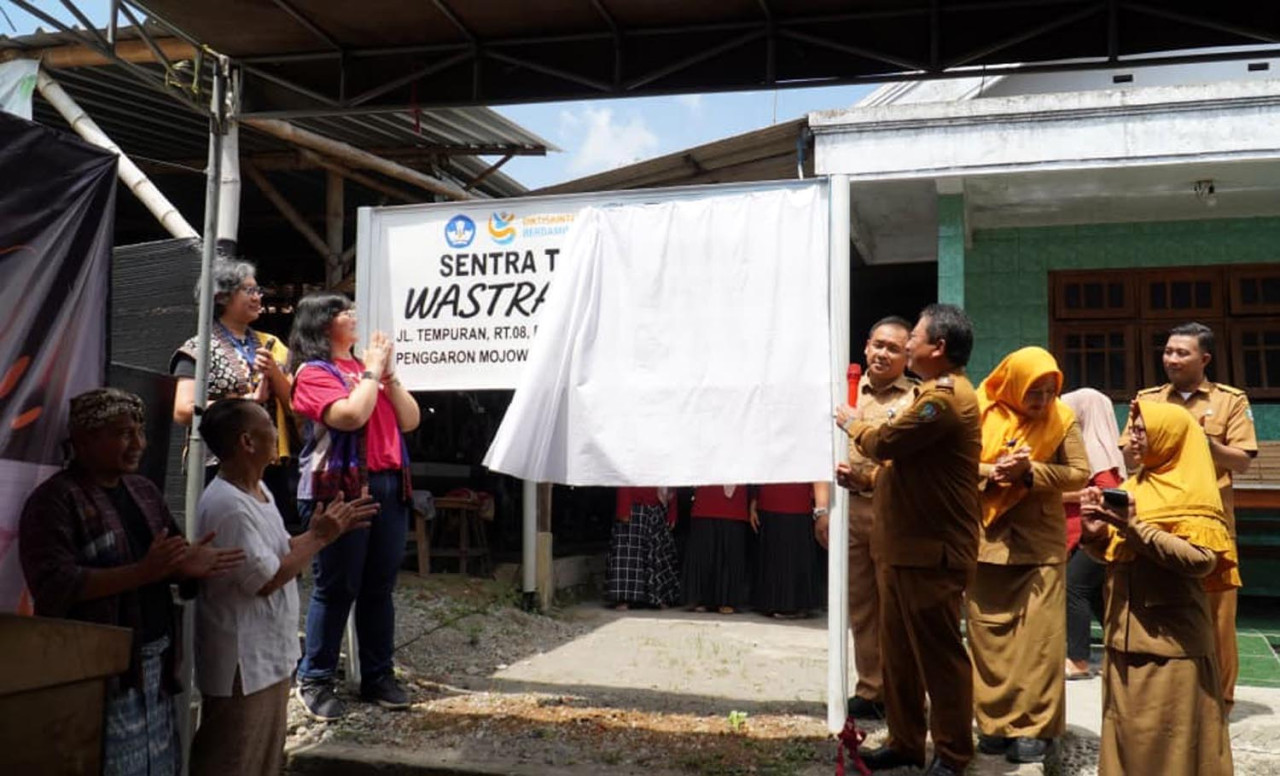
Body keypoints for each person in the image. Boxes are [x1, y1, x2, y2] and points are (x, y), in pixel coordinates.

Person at [19, 388, 244, 776]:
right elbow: (54, 586)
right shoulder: (54, 500)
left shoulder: (144, 491)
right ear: (84, 440)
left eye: (140, 431)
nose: (138, 443)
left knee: (160, 764)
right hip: (95, 669)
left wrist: (185, 564)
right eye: (123, 433)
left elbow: (167, 558)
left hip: (155, 659)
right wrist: (143, 572)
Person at [190, 399, 376, 776]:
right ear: (247, 441)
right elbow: (266, 579)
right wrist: (320, 538)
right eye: (269, 426)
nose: (277, 433)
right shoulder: (228, 505)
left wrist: (322, 532)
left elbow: (281, 550)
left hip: (268, 651)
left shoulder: (258, 489)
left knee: (263, 758)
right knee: (233, 757)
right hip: (242, 660)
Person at [836, 304, 981, 776]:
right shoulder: (931, 393)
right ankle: (904, 742)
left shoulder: (946, 399)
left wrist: (852, 423)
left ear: (938, 347)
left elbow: (887, 443)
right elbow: (905, 471)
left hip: (932, 553)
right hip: (901, 548)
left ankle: (953, 753)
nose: (908, 344)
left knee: (939, 658)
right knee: (898, 657)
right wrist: (865, 480)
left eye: (913, 337)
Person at [1080, 400, 1237, 775]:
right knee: (1125, 738)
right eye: (1131, 429)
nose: (1132, 438)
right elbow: (1117, 555)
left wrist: (1134, 527)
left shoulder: (1192, 492)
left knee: (1170, 744)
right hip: (1123, 637)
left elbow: (1201, 560)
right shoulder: (1134, 486)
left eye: (1141, 430)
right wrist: (1094, 534)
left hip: (1170, 645)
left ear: (1169, 437)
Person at [289, 293, 421, 721]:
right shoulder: (313, 371)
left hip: (388, 483)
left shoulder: (369, 370)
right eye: (342, 311)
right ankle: (315, 678)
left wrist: (389, 377)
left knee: (379, 586)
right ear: (322, 324)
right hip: (338, 488)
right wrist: (371, 373)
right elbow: (349, 416)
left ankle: (378, 675)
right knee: (337, 585)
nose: (353, 316)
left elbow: (410, 420)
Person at [1121, 321, 1255, 713]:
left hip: (1208, 521)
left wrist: (1200, 441)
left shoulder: (1229, 401)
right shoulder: (1148, 400)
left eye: (1182, 352)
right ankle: (1168, 692)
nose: (1172, 359)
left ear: (1205, 358)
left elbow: (1241, 461)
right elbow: (1129, 456)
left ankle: (1220, 700)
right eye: (1168, 351)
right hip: (1155, 518)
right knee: (1157, 604)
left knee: (1217, 613)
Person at [970, 347, 1089, 764]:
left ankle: (1034, 727)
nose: (1041, 401)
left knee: (1040, 640)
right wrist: (993, 471)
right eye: (1033, 391)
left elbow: (1079, 473)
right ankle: (994, 723)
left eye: (1049, 391)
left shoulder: (1061, 419)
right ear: (1013, 384)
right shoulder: (979, 412)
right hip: (986, 540)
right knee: (989, 636)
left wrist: (1029, 472)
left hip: (1039, 545)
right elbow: (955, 464)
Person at [827, 315, 917, 719]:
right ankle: (871, 689)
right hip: (848, 511)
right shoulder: (843, 393)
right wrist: (822, 510)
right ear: (865, 346)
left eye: (893, 349)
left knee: (895, 606)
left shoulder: (915, 399)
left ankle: (903, 692)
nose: (882, 353)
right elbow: (822, 452)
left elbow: (910, 463)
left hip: (893, 513)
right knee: (861, 606)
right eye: (877, 345)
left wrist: (867, 478)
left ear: (907, 357)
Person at [170, 259, 296, 525]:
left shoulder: (272, 345)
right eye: (249, 290)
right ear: (222, 296)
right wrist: (244, 402)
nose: (258, 297)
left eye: (258, 290)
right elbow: (183, 410)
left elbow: (295, 405)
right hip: (218, 462)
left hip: (267, 462)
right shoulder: (199, 348)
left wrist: (274, 372)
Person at [1060, 388, 1126, 680]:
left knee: (1074, 588)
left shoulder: (1096, 450)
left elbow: (1106, 492)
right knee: (1096, 595)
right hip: (1088, 534)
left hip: (1096, 535)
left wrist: (1056, 495)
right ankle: (1122, 648)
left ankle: (1078, 661)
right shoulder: (1094, 447)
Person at [750, 482, 828, 619]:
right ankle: (771, 603)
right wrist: (753, 503)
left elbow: (819, 480)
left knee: (796, 557)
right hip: (769, 502)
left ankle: (799, 604)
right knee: (773, 558)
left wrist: (821, 511)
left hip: (800, 504)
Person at [607, 487, 680, 611]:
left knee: (657, 553)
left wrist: (672, 511)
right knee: (629, 554)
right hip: (633, 508)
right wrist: (623, 508)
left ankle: (658, 597)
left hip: (656, 508)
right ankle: (624, 598)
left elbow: (670, 481)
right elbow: (624, 479)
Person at [684, 485, 752, 614]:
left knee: (729, 555)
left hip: (733, 505)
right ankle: (702, 599)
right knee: (704, 554)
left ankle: (728, 600)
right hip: (705, 500)